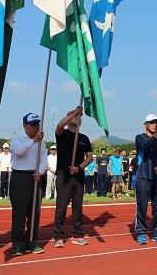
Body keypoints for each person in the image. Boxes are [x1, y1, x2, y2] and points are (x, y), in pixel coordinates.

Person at [53, 106, 93, 247]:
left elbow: (90, 157)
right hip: (64, 175)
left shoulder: (84, 138)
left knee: (77, 206)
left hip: (78, 175)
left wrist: (79, 168)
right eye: (73, 116)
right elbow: (59, 125)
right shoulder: (61, 134)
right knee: (62, 206)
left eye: (78, 117)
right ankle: (58, 235)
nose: (77, 118)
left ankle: (78, 234)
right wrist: (74, 112)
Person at [9, 113, 47, 256]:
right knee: (19, 213)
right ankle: (18, 244)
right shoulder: (17, 138)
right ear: (25, 125)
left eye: (37, 124)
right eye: (33, 124)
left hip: (35, 177)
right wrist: (34, 141)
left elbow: (44, 159)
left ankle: (32, 241)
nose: (36, 127)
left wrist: (41, 171)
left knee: (34, 213)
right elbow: (19, 152)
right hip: (20, 177)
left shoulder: (41, 142)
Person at [134, 113, 157, 244]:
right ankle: (141, 232)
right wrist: (156, 136)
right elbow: (145, 146)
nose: (155, 125)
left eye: (156, 122)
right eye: (152, 122)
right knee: (142, 206)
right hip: (143, 176)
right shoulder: (140, 138)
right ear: (145, 124)